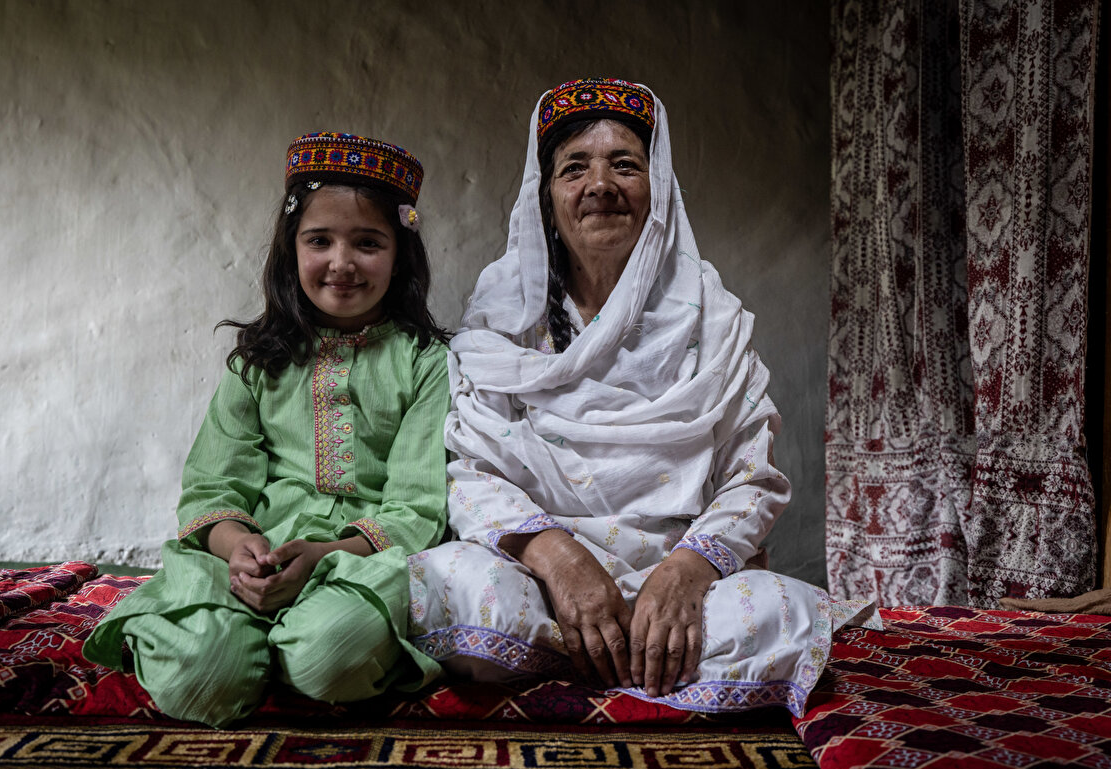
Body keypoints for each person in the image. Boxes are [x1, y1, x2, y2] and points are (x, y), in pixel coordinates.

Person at [408, 79, 879, 716]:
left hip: (675, 575)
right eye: (575, 168)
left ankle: (605, 653)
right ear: (547, 200)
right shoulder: (504, 316)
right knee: (452, 584)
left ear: (658, 192)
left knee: (779, 615)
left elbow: (752, 477)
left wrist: (687, 573)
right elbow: (468, 471)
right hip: (543, 580)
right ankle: (645, 662)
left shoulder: (710, 315)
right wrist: (561, 561)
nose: (599, 185)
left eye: (625, 165)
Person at [84, 132, 451, 728]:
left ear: (400, 253)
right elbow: (213, 488)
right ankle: (244, 646)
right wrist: (240, 552)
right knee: (197, 677)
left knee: (331, 653)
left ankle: (286, 650)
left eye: (368, 243)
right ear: (291, 249)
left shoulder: (426, 361)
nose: (342, 262)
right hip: (252, 556)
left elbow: (417, 502)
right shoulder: (256, 361)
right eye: (319, 241)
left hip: (358, 564)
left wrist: (325, 555)